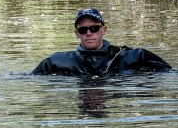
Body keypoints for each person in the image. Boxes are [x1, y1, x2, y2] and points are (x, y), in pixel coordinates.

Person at [32, 7, 171, 76]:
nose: (88, 33)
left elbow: (168, 74)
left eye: (94, 28)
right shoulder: (56, 62)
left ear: (104, 30)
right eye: (83, 30)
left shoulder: (134, 56)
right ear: (76, 34)